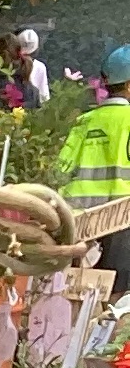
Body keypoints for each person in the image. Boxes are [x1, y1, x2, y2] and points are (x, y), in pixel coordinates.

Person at [57, 45, 130, 286]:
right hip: (122, 219)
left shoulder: (83, 122)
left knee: (83, 290)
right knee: (116, 296)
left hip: (82, 224)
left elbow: (61, 172)